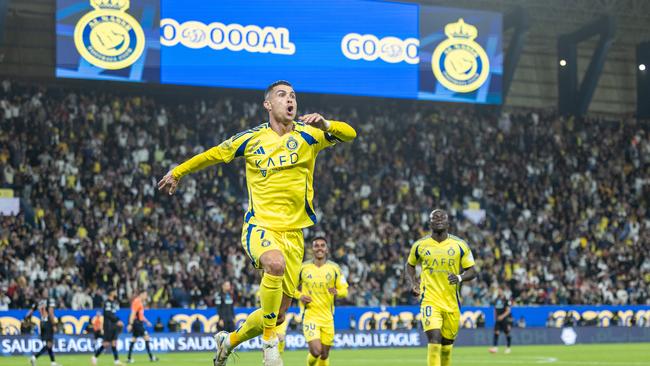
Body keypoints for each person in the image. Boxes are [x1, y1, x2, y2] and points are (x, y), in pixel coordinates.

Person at [158, 80, 356, 366]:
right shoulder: (250, 139)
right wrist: (178, 171)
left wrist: (326, 124)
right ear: (268, 104)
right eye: (282, 95)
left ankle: (229, 341)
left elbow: (351, 133)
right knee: (274, 266)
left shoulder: (310, 135)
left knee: (277, 313)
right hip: (260, 226)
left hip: (294, 234)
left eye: (293, 96)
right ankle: (269, 343)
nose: (290, 100)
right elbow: (213, 154)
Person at [405, 209, 478, 366]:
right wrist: (412, 283)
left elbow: (472, 271)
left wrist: (459, 277)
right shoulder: (420, 245)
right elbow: (410, 265)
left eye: (442, 217)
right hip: (429, 300)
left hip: (452, 302)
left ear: (448, 222)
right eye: (434, 217)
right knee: (434, 339)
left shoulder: (460, 245)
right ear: (429, 223)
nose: (438, 219)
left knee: (446, 345)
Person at [294, 237, 348, 366]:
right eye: (316, 245)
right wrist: (300, 296)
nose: (319, 248)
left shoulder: (335, 268)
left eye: (322, 245)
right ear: (312, 249)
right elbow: (290, 288)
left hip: (328, 317)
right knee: (316, 351)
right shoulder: (303, 268)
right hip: (310, 316)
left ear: (327, 249)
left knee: (324, 354)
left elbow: (344, 290)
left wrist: (337, 292)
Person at [27, 293, 60, 366]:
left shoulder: (38, 302)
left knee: (49, 344)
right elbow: (51, 313)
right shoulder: (50, 300)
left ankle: (53, 362)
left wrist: (27, 319)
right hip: (48, 323)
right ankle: (34, 357)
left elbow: (30, 312)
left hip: (42, 324)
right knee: (49, 344)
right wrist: (54, 324)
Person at [92, 288, 123, 366]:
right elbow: (108, 313)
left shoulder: (114, 302)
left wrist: (116, 321)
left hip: (113, 325)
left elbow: (113, 313)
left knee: (114, 343)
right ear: (111, 293)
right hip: (108, 325)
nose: (116, 293)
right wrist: (117, 320)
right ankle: (95, 357)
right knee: (106, 344)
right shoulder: (107, 302)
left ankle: (116, 361)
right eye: (115, 291)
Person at [127, 290, 158, 363]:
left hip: (138, 322)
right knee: (146, 337)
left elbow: (141, 315)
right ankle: (151, 357)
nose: (146, 296)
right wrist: (130, 324)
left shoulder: (140, 302)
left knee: (133, 339)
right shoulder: (136, 301)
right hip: (137, 323)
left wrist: (146, 321)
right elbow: (133, 313)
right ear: (141, 294)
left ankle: (129, 358)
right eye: (145, 294)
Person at [489, 286, 513, 354]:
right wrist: (495, 317)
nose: (499, 292)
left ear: (502, 291)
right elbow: (495, 309)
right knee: (496, 332)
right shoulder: (496, 299)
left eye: (500, 290)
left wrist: (502, 316)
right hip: (498, 319)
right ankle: (495, 348)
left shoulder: (506, 300)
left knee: (507, 333)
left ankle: (508, 347)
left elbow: (508, 311)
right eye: (498, 290)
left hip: (505, 319)